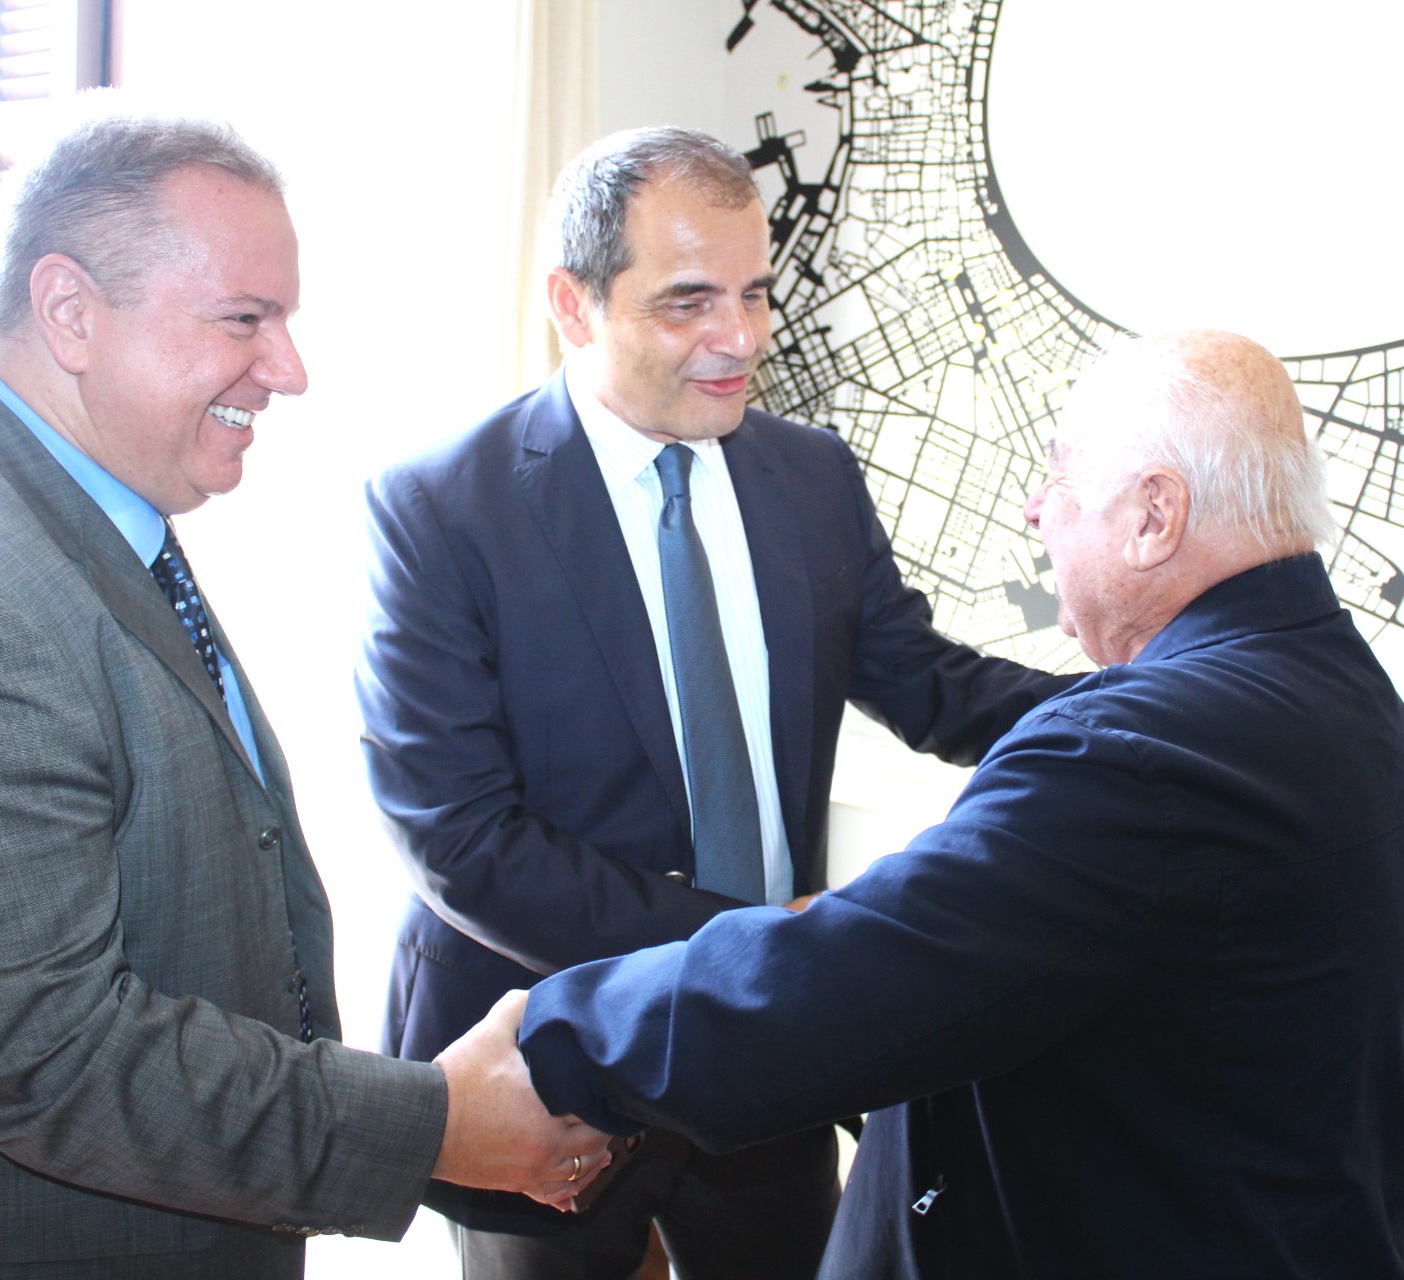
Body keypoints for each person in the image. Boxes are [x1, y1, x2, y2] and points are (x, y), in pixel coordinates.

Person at [0, 108, 604, 1279]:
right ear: (71, 311)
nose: (289, 370)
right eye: (245, 319)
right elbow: (46, 1055)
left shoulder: (60, 493)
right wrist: (434, 1123)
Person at [494, 330, 1404, 1277]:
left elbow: (850, 982)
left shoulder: (1130, 755)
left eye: (1061, 477)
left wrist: (553, 1043)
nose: (1036, 508)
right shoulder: (1334, 687)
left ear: (1155, 516)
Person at [357, 126, 1072, 1277]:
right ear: (575, 303)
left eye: (755, 293)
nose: (740, 338)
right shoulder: (443, 505)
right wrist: (756, 945)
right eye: (689, 301)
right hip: (543, 1058)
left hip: (767, 1055)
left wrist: (1159, 705)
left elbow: (928, 680)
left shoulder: (812, 474)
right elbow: (462, 841)